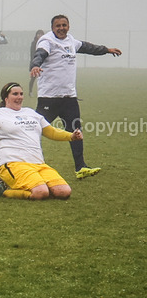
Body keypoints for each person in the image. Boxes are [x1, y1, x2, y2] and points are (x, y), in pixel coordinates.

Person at [29, 15, 122, 178]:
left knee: (75, 131)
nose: (61, 28)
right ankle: (26, 164)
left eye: (64, 25)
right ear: (52, 27)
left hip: (69, 98)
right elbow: (40, 54)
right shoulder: (46, 41)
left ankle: (81, 167)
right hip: (49, 98)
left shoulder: (71, 41)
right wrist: (35, 65)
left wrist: (107, 50)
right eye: (58, 25)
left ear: (68, 26)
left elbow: (87, 47)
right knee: (34, 130)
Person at [0, 83, 81, 199]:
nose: (19, 97)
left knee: (64, 192)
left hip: (38, 164)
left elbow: (51, 131)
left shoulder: (31, 113)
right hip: (13, 163)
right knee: (40, 193)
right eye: (15, 94)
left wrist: (71, 136)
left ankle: (29, 185)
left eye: (21, 94)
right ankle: (3, 191)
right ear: (6, 97)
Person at [28, 29, 45, 97]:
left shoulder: (45, 42)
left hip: (43, 63)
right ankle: (30, 91)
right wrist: (34, 63)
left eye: (41, 34)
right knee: (33, 78)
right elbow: (32, 53)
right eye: (38, 34)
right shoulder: (34, 43)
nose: (40, 35)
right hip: (35, 62)